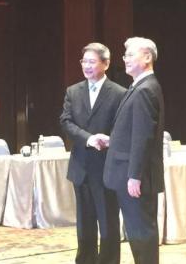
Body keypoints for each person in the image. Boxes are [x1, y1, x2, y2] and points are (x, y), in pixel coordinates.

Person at [60, 42, 126, 264]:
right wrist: (88, 138)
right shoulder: (73, 91)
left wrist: (108, 140)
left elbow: (122, 127)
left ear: (105, 64)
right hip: (81, 167)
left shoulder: (119, 93)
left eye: (92, 61)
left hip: (107, 168)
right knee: (84, 224)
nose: (86, 66)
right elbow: (66, 121)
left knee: (108, 223)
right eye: (84, 61)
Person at [103, 37, 165, 264]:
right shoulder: (139, 86)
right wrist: (113, 141)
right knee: (138, 232)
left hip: (134, 176)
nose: (125, 59)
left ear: (147, 57)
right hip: (130, 172)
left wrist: (134, 175)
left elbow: (143, 136)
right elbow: (133, 131)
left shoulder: (145, 89)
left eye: (130, 54)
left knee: (141, 233)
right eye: (125, 55)